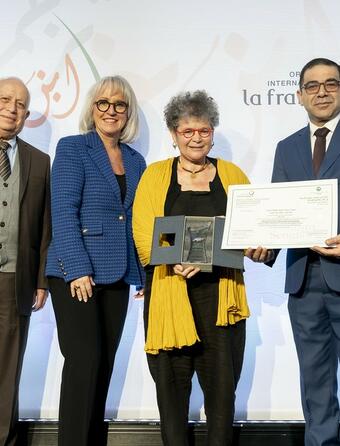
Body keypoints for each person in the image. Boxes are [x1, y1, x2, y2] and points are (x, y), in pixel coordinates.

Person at [133, 90, 250, 446]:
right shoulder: (155, 175)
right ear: (173, 134)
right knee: (171, 396)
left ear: (212, 131)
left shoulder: (233, 175)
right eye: (187, 131)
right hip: (170, 295)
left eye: (204, 130)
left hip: (220, 301)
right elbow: (143, 235)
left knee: (221, 397)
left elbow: (250, 231)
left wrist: (259, 246)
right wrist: (177, 259)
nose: (196, 137)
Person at [45, 75, 146, 446]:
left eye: (119, 104)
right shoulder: (73, 148)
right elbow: (63, 210)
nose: (111, 110)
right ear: (92, 108)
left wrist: (142, 275)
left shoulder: (136, 160)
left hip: (117, 275)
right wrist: (78, 268)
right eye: (103, 103)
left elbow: (135, 219)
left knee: (103, 367)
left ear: (128, 113)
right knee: (83, 364)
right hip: (75, 272)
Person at [246, 58, 340, 446]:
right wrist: (264, 248)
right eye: (312, 85)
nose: (322, 91)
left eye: (331, 83)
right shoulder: (286, 148)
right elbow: (278, 214)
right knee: (315, 382)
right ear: (299, 95)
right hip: (304, 282)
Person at [0, 77, 51, 446]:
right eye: (4, 99)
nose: (11, 109)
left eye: (19, 104)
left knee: (7, 367)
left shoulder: (39, 160)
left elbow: (45, 225)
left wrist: (41, 279)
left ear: (26, 114)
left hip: (15, 277)